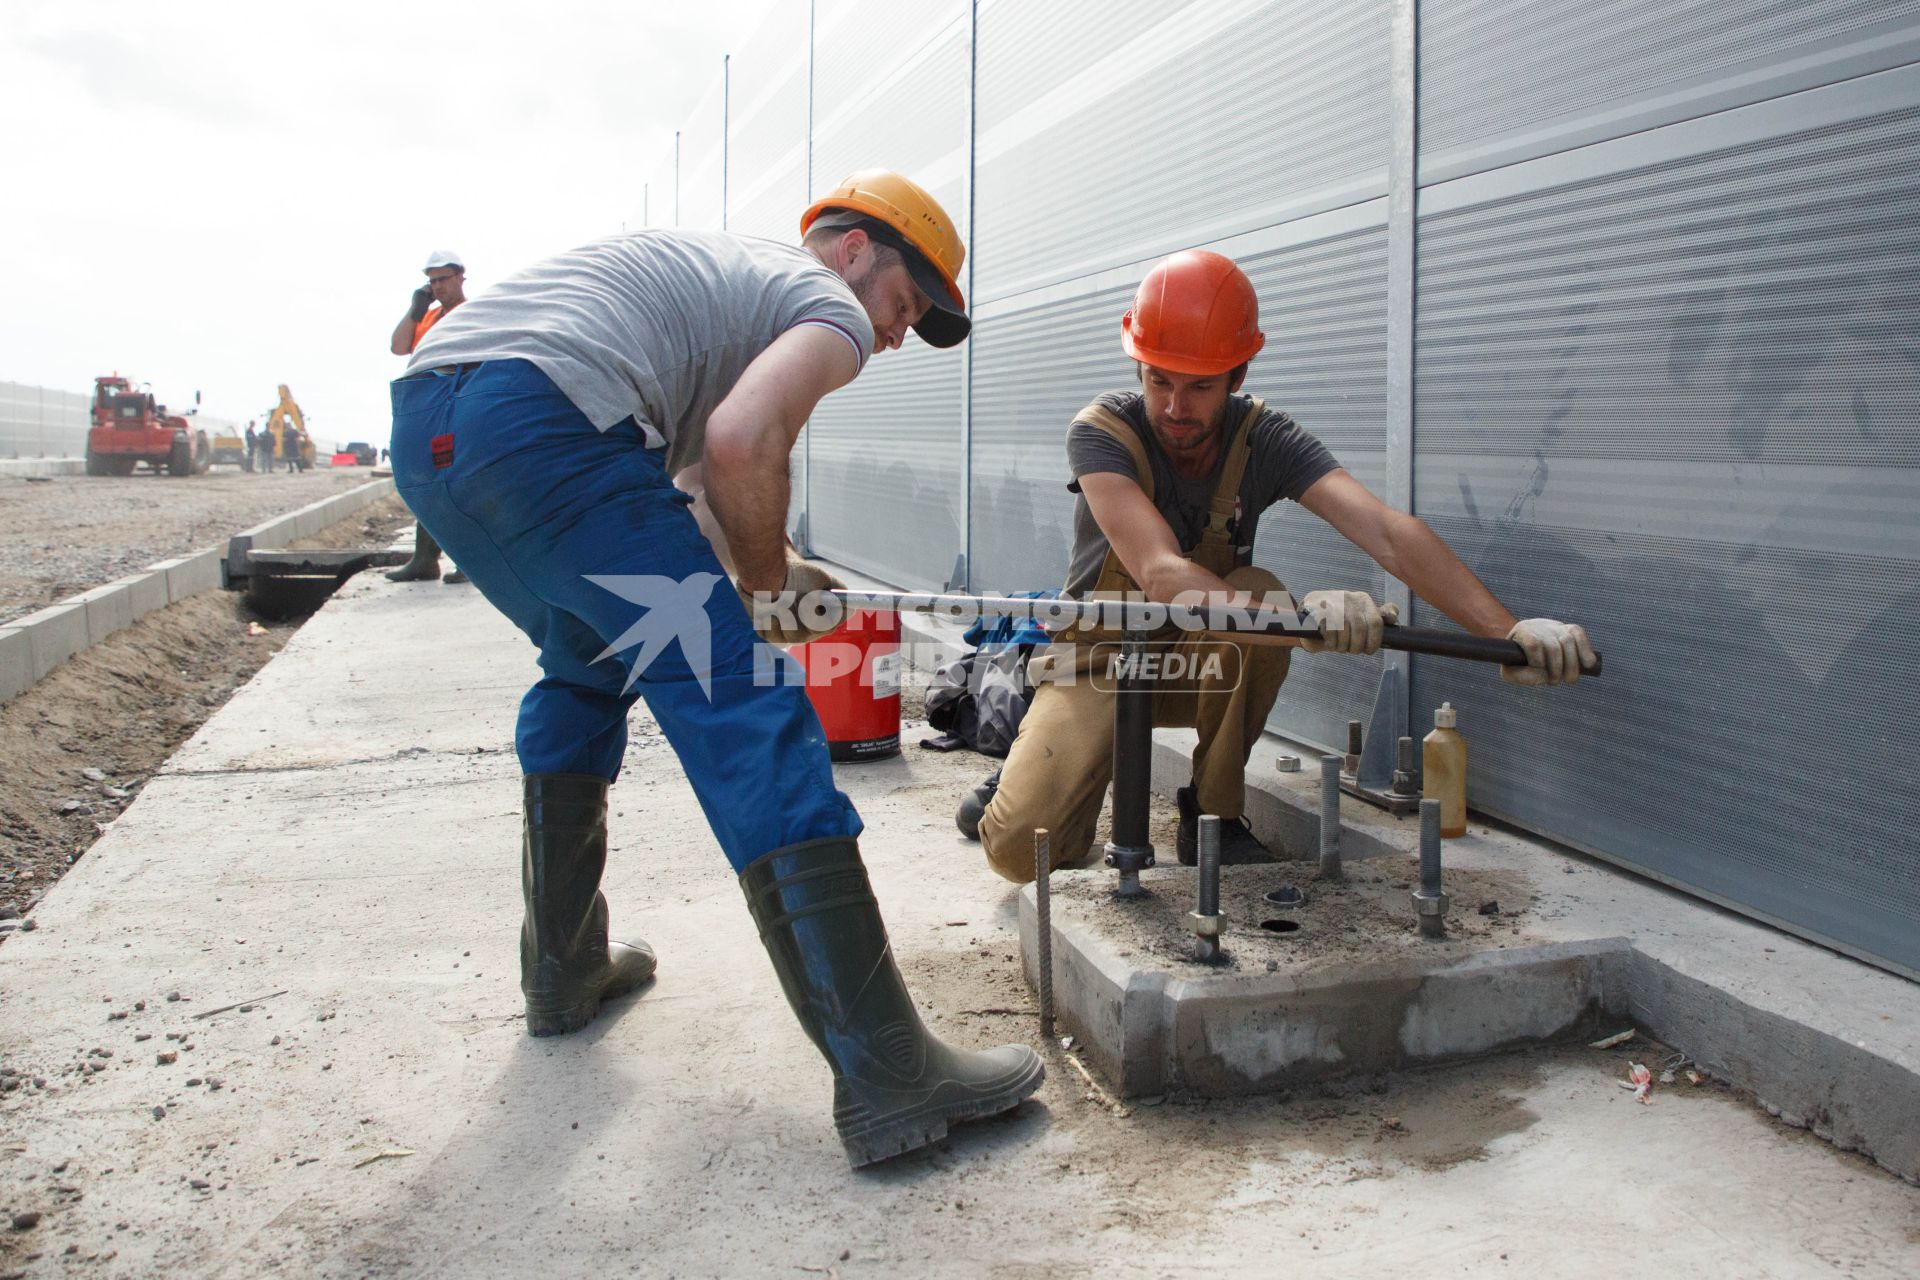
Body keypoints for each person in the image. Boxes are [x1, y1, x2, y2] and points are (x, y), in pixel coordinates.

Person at [387, 169, 1042, 1167]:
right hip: (546, 427)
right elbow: (745, 444)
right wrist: (773, 591)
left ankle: (562, 968)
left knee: (585, 663)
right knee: (746, 706)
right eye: (906, 303)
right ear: (856, 247)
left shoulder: (716, 296)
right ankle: (887, 1068)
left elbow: (686, 503)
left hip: (438, 432)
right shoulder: (826, 302)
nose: (896, 334)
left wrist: (745, 578)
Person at [966, 250, 1596, 882]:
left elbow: (1389, 533)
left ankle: (1212, 817)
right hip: (1104, 660)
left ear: (1237, 376)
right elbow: (1161, 572)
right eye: (1159, 380)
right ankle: (1031, 776)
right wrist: (1305, 625)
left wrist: (1507, 631)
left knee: (1258, 592)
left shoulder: (1265, 439)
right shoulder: (1102, 431)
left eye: (1200, 385)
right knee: (1023, 851)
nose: (1176, 407)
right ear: (1138, 364)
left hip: (1205, 658)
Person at [387, 250, 470, 583]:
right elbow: (398, 346)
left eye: (443, 279)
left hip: (456, 401)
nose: (437, 287)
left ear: (460, 277)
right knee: (427, 481)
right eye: (432, 281)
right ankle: (424, 560)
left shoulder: (473, 312)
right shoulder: (427, 318)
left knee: (458, 482)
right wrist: (414, 309)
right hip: (425, 405)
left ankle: (468, 560)